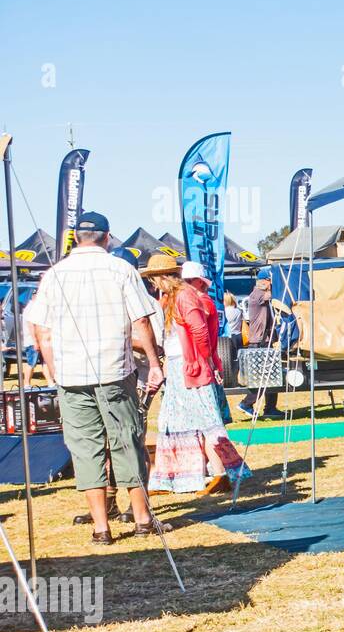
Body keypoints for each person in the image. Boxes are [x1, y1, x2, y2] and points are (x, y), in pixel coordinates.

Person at [25, 211, 167, 544]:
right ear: (106, 237)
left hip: (72, 376)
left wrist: (52, 368)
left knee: (85, 449)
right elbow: (141, 322)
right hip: (114, 370)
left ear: (75, 238)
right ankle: (143, 520)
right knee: (127, 440)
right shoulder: (121, 270)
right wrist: (154, 362)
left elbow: (41, 329)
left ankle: (101, 527)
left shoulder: (54, 274)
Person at [142, 257, 249, 494]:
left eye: (153, 279)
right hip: (181, 366)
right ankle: (171, 477)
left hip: (191, 368)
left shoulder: (185, 296)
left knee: (207, 421)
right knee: (174, 423)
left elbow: (200, 331)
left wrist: (204, 360)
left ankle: (222, 473)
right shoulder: (174, 298)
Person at [238, 267, 282, 420]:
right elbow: (274, 294)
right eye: (270, 281)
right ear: (264, 281)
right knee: (263, 379)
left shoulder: (259, 294)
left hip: (264, 342)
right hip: (259, 343)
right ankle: (246, 403)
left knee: (272, 376)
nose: (271, 284)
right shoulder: (257, 294)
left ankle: (270, 408)